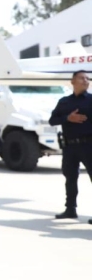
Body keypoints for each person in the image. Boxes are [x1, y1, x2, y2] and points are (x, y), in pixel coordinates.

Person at [49, 70, 92, 224]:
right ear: (72, 81)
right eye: (82, 78)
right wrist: (68, 118)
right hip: (70, 147)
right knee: (70, 178)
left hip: (89, 145)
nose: (86, 80)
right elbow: (52, 120)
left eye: (87, 78)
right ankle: (70, 209)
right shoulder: (64, 102)